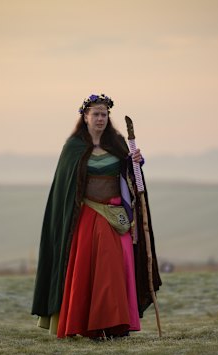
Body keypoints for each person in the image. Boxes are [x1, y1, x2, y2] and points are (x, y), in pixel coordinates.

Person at [31, 93, 161, 339]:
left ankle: (117, 326)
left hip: (117, 216)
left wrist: (136, 163)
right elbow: (65, 188)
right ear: (86, 116)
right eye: (96, 114)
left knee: (118, 270)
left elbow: (131, 181)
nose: (100, 118)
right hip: (88, 216)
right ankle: (92, 327)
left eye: (104, 114)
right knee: (89, 271)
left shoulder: (119, 143)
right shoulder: (73, 147)